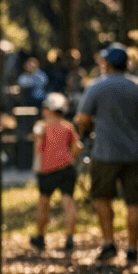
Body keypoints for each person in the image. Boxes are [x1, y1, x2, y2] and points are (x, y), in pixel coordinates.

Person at [75, 42, 138, 265]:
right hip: (134, 153)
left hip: (104, 153)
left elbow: (81, 119)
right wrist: (132, 122)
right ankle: (132, 249)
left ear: (107, 64)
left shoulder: (97, 86)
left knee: (102, 198)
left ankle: (109, 243)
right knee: (135, 202)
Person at [31, 92, 82, 254]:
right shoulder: (68, 126)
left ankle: (40, 237)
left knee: (44, 202)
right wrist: (69, 158)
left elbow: (38, 147)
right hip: (66, 168)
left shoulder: (41, 125)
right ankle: (69, 238)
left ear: (48, 109)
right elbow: (77, 147)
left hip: (47, 170)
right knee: (68, 202)